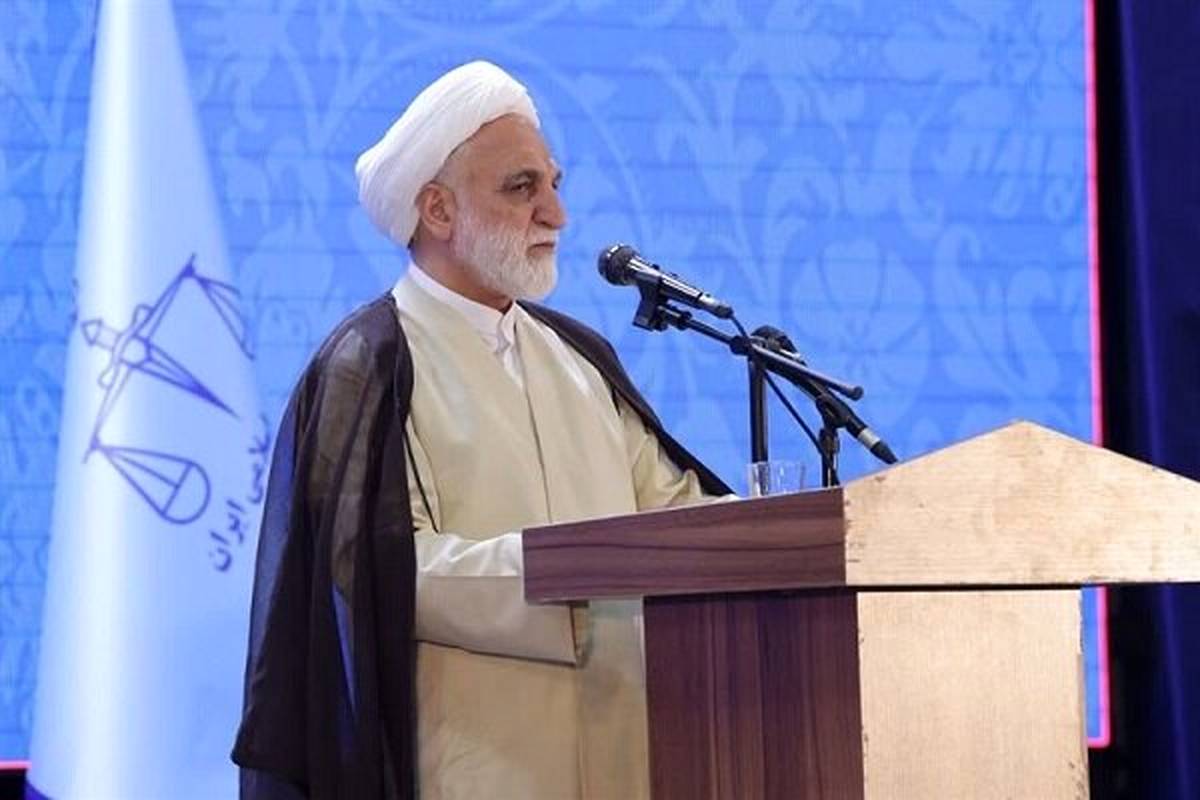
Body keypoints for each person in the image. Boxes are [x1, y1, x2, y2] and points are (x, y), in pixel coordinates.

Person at [232, 61, 730, 800]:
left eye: (554, 184)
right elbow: (381, 572)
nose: (556, 214)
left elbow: (670, 515)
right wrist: (575, 579)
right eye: (522, 188)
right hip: (477, 771)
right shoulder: (371, 363)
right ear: (437, 210)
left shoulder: (578, 357)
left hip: (630, 763)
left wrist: (777, 536)